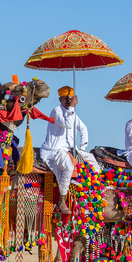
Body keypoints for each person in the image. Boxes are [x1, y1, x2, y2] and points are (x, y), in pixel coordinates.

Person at [39, 86, 100, 214]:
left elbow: (83, 129)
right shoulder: (57, 111)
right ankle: (61, 201)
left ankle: (91, 199)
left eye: (70, 99)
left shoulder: (73, 114)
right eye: (65, 99)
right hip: (54, 150)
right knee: (68, 167)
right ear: (60, 99)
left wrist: (83, 148)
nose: (68, 101)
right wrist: (72, 107)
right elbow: (67, 123)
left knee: (95, 165)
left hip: (71, 149)